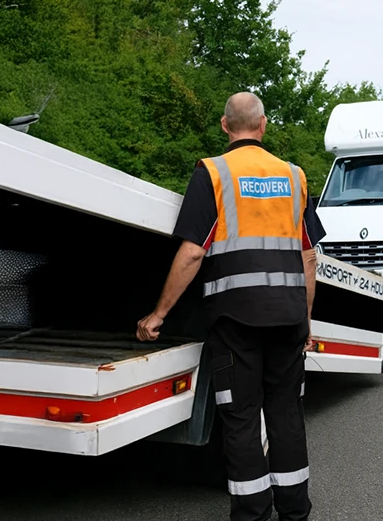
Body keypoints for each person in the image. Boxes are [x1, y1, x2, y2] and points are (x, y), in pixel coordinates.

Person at [136, 92, 325, 521]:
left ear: (225, 126)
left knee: (240, 418)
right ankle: (295, 511)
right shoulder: (294, 176)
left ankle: (253, 512)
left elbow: (192, 253)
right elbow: (309, 256)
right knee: (285, 414)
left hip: (236, 319)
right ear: (262, 126)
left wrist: (159, 314)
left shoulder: (213, 172)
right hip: (289, 317)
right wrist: (306, 319)